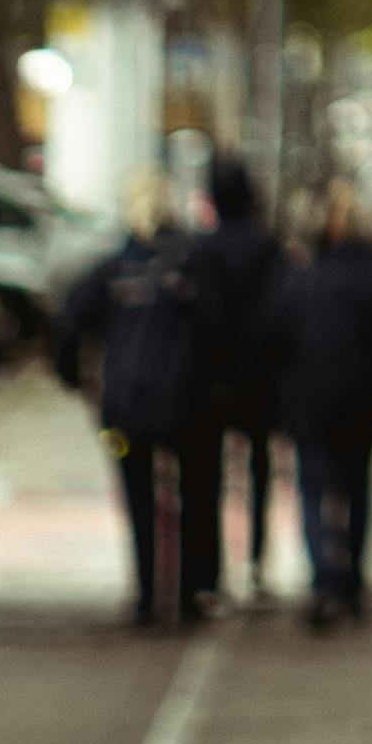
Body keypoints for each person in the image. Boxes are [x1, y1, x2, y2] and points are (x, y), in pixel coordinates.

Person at [57, 181, 208, 627]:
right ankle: (186, 593)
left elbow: (69, 324)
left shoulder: (111, 270)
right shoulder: (190, 270)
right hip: (184, 406)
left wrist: (75, 379)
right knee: (190, 495)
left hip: (124, 406)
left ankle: (146, 594)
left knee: (138, 496)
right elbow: (216, 331)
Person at [272, 182, 372, 629]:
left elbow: (275, 340)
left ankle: (323, 578)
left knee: (314, 488)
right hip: (365, 401)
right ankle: (353, 580)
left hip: (311, 401)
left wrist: (282, 393)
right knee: (358, 486)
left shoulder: (303, 279)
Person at [188, 148, 281, 608]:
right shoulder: (269, 245)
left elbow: (197, 315)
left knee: (206, 477)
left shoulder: (200, 248)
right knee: (261, 468)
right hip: (260, 375)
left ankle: (209, 574)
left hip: (210, 377)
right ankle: (259, 565)